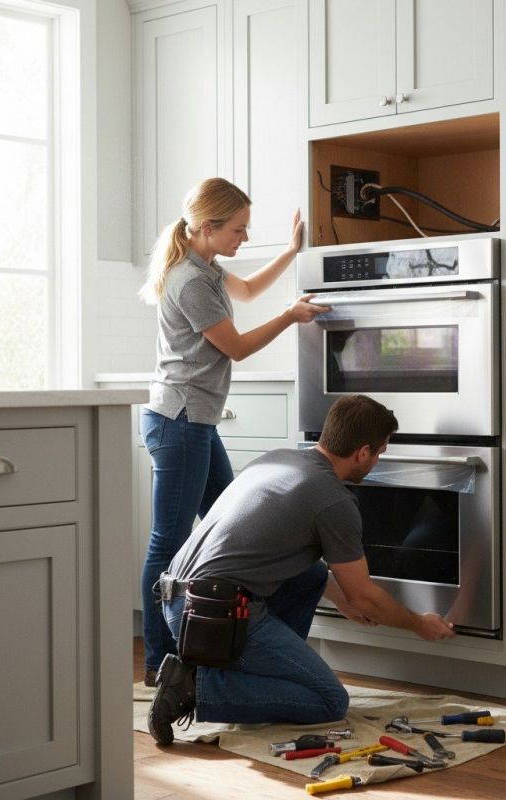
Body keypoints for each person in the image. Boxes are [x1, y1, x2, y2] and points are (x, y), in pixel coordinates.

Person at [147, 394, 456, 745]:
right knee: (330, 700)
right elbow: (366, 597)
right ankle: (195, 686)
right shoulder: (334, 499)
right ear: (362, 452)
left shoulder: (278, 459)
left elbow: (296, 559)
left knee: (313, 574)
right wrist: (419, 624)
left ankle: (249, 672)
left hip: (181, 599)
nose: (377, 461)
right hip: (215, 616)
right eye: (380, 453)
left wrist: (341, 600)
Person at [138, 177, 326, 687]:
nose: (243, 237)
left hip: (194, 420)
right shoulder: (190, 281)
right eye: (238, 229)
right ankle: (159, 662)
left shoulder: (210, 269)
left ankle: (244, 648)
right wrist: (291, 316)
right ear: (207, 227)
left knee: (240, 530)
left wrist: (290, 253)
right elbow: (236, 348)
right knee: (168, 543)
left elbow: (247, 289)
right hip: (179, 422)